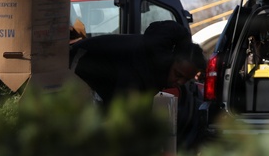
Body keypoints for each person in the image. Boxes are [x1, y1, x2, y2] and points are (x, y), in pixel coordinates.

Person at [69, 20, 206, 106]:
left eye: (186, 80)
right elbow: (119, 107)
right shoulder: (141, 66)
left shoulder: (155, 72)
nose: (180, 82)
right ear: (170, 61)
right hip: (77, 67)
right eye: (178, 74)